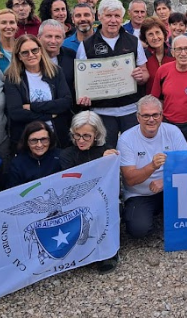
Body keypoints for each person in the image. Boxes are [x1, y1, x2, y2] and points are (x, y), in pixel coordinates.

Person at [76, 0, 149, 148]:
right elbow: (81, 80)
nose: (113, 20)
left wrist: (141, 77)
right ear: (100, 17)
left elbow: (145, 72)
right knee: (106, 153)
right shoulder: (86, 45)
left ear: (122, 18)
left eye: (117, 16)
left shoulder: (133, 42)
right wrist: (83, 97)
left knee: (134, 150)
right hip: (102, 112)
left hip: (130, 109)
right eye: (109, 16)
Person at [118, 96, 187, 239]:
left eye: (155, 115)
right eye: (146, 115)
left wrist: (165, 181)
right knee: (138, 230)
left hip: (170, 187)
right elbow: (129, 179)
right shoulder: (126, 139)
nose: (151, 119)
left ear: (161, 115)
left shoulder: (172, 131)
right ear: (138, 117)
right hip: (140, 194)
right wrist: (152, 166)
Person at [59, 111, 120, 274]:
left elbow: (113, 184)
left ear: (96, 134)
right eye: (77, 135)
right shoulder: (66, 155)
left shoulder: (106, 152)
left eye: (86, 136)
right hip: (76, 201)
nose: (81, 140)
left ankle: (108, 253)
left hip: (102, 199)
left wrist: (108, 161)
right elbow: (68, 185)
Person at [4, 35, 72, 149]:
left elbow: (66, 102)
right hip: (28, 140)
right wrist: (49, 115)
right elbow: (16, 113)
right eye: (25, 52)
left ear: (40, 50)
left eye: (34, 50)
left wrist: (32, 106)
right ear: (19, 56)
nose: (31, 55)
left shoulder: (55, 72)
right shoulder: (12, 78)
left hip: (57, 137)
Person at [7, 121, 62, 188]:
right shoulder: (17, 164)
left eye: (44, 139)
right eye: (34, 140)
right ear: (26, 142)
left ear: (50, 140)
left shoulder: (61, 156)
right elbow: (14, 192)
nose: (39, 145)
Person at [38, 19, 78, 111]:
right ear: (39, 37)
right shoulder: (32, 58)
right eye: (49, 36)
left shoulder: (71, 56)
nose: (53, 41)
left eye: (58, 37)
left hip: (67, 111)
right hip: (40, 110)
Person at [141, 16, 174, 95]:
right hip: (151, 102)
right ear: (145, 38)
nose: (155, 37)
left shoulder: (174, 55)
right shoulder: (142, 57)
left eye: (157, 32)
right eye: (150, 34)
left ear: (164, 34)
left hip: (172, 101)